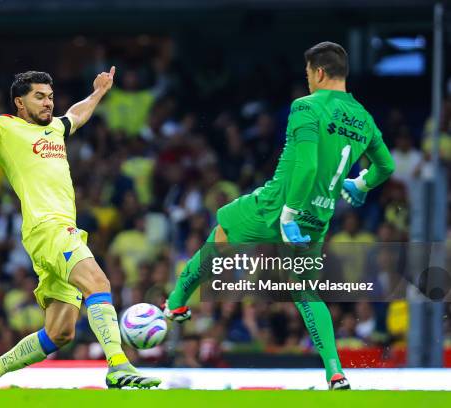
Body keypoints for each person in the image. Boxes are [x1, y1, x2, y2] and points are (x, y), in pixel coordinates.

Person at [163, 41, 395, 390]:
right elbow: (386, 166)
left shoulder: (306, 106)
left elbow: (307, 165)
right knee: (305, 292)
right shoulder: (363, 117)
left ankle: (177, 303)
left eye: (307, 74)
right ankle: (334, 371)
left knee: (222, 232)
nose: (307, 80)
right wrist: (361, 184)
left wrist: (287, 214)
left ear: (318, 72)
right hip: (318, 218)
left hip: (277, 206)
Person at [0, 67, 160, 389]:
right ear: (20, 102)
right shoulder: (4, 128)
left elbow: (77, 114)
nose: (48, 103)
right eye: (39, 97)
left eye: (50, 97)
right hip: (48, 228)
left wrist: (99, 91)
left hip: (59, 232)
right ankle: (118, 366)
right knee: (98, 281)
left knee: (60, 333)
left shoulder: (57, 128)